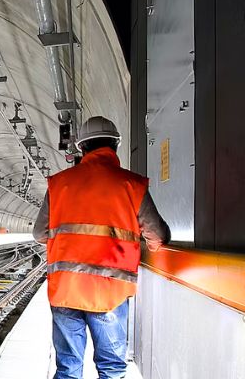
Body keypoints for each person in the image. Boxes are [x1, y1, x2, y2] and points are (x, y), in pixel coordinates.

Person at [33, 116, 170, 379]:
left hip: (65, 289)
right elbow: (157, 234)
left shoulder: (59, 184)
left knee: (68, 368)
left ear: (82, 149)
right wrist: (151, 245)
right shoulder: (132, 185)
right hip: (108, 292)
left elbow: (40, 232)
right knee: (111, 368)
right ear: (115, 146)